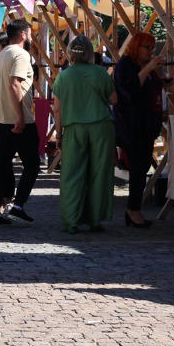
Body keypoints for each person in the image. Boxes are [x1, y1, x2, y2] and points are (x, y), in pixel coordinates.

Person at [51, 35, 116, 233]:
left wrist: (58, 135)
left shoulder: (63, 76)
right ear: (90, 53)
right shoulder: (100, 73)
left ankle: (71, 221)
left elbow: (57, 109)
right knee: (99, 173)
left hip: (74, 128)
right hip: (101, 127)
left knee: (72, 174)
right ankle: (95, 220)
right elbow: (114, 99)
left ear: (70, 53)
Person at [113, 31, 166, 229]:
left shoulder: (145, 65)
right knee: (137, 167)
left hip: (146, 124)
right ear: (136, 47)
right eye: (147, 48)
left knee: (142, 167)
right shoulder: (125, 65)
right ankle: (133, 210)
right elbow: (130, 90)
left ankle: (134, 209)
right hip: (132, 124)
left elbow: (152, 87)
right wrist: (149, 68)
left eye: (152, 48)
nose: (150, 52)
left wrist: (163, 79)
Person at [0, 19, 40, 225]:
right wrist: (20, 116)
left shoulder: (2, 54)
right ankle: (18, 205)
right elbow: (15, 84)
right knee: (32, 164)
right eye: (30, 33)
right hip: (19, 120)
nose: (31, 37)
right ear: (23, 35)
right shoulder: (21, 54)